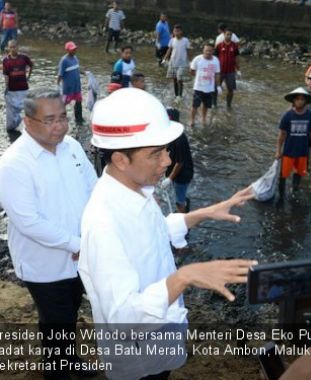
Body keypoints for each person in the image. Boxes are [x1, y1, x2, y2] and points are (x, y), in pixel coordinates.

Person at [79, 88, 257, 379]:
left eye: (166, 150)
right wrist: (184, 277)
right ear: (121, 160)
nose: (167, 161)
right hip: (138, 355)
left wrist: (202, 214)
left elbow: (153, 234)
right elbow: (124, 318)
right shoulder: (104, 223)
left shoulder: (134, 190)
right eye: (156, 153)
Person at [0, 88, 98, 379]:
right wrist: (76, 244)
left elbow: (93, 188)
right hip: (44, 261)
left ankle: (70, 359)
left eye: (63, 118)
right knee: (55, 319)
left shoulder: (72, 147)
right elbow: (28, 221)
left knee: (70, 311)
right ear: (28, 122)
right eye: (50, 120)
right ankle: (57, 372)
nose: (59, 126)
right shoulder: (14, 163)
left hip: (81, 254)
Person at [275, 87, 311, 198]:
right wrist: (278, 151)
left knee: (299, 173)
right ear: (293, 101)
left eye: (302, 99)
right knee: (283, 176)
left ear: (305, 101)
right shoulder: (287, 116)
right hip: (288, 151)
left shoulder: (310, 116)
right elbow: (281, 135)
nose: (300, 101)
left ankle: (294, 191)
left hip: (303, 151)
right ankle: (281, 196)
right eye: (297, 99)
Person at [162, 108, 194, 213]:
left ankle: (184, 220)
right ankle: (184, 203)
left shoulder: (179, 139)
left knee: (179, 201)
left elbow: (180, 163)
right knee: (179, 196)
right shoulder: (172, 134)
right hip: (176, 173)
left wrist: (170, 179)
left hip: (182, 175)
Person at [3, 40, 32, 138]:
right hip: (12, 89)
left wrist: (28, 77)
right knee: (12, 109)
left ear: (18, 47)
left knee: (25, 107)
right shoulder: (6, 60)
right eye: (11, 47)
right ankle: (12, 128)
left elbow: (31, 65)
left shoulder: (24, 58)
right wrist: (6, 87)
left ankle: (29, 129)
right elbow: (6, 75)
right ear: (8, 48)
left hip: (23, 88)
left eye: (14, 47)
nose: (13, 49)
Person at [189, 43, 220, 127]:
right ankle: (192, 120)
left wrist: (218, 86)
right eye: (206, 50)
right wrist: (199, 77)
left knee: (206, 105)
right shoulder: (197, 59)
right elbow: (192, 70)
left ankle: (203, 119)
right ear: (203, 50)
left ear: (213, 51)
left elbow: (217, 73)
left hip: (209, 88)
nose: (208, 52)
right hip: (198, 87)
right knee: (195, 105)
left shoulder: (216, 60)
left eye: (210, 51)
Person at [57, 41, 84, 125]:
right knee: (63, 104)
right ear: (67, 50)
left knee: (79, 101)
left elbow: (76, 69)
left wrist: (84, 73)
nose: (74, 51)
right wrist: (58, 85)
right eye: (72, 49)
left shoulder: (75, 58)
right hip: (68, 88)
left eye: (75, 49)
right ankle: (60, 119)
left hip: (77, 86)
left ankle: (79, 118)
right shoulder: (64, 61)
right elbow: (60, 74)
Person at [164, 24, 190, 101]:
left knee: (179, 79)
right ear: (173, 32)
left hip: (182, 63)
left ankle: (180, 96)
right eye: (175, 31)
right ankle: (176, 95)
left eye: (178, 31)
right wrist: (165, 59)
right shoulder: (172, 40)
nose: (176, 32)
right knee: (174, 80)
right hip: (173, 63)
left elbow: (188, 51)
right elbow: (169, 50)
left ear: (181, 32)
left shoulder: (185, 40)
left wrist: (190, 61)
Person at [215, 29, 240, 108]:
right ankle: (214, 104)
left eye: (230, 35)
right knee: (215, 88)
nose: (228, 36)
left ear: (231, 36)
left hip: (230, 71)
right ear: (224, 35)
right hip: (220, 71)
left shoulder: (234, 46)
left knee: (231, 90)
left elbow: (237, 58)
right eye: (227, 34)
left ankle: (228, 105)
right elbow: (215, 58)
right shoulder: (219, 45)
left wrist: (238, 70)